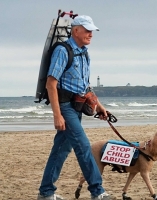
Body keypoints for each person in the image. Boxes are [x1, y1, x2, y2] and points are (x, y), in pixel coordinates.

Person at [37, 15, 112, 200]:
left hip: (78, 106)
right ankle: (97, 192)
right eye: (87, 30)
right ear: (76, 30)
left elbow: (85, 86)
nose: (90, 34)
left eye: (92, 31)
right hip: (65, 107)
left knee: (61, 150)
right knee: (83, 146)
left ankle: (46, 192)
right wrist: (57, 115)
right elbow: (51, 84)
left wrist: (100, 106)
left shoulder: (84, 53)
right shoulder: (63, 51)